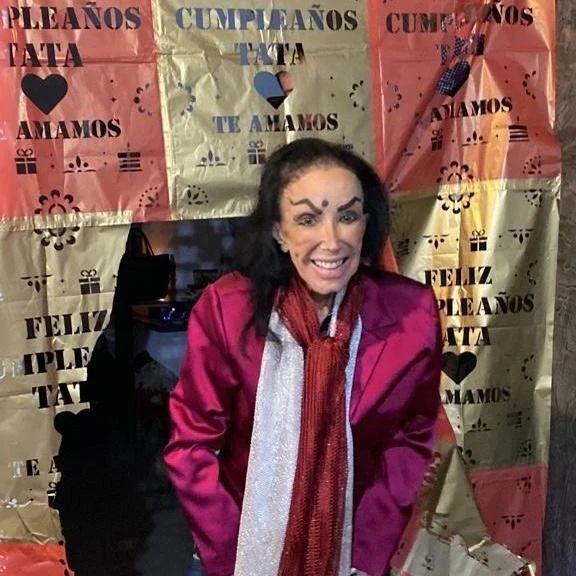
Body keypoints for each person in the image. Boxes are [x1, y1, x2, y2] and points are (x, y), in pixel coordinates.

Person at [164, 138, 442, 576]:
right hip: (239, 554)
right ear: (279, 230)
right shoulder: (228, 308)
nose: (331, 241)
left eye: (347, 216)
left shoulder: (411, 314)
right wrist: (234, 554)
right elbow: (191, 446)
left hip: (354, 557)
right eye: (308, 219)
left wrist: (365, 555)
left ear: (365, 224)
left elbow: (411, 440)